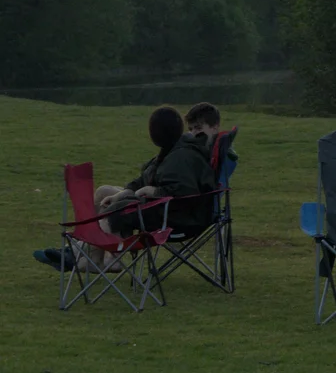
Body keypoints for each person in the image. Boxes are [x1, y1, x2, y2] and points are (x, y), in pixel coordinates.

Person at [33, 106, 217, 271]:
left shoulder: (183, 155)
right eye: (191, 128)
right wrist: (125, 192)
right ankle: (91, 259)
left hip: (180, 218)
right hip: (166, 208)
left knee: (123, 209)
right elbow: (147, 178)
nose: (193, 132)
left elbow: (186, 193)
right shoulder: (173, 150)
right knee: (109, 195)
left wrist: (154, 192)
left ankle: (75, 253)